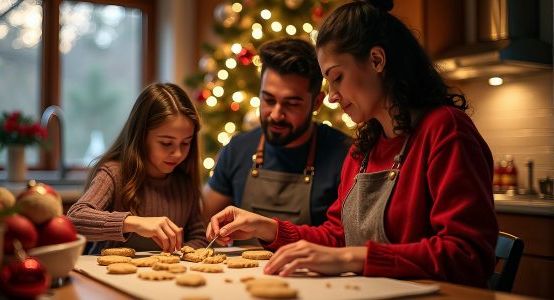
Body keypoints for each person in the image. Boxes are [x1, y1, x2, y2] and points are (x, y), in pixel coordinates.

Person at [206, 0, 498, 288]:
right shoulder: (364, 148)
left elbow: (467, 256)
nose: (332, 95)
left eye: (337, 77)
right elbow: (338, 237)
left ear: (376, 60)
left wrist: (350, 258)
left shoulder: (445, 130)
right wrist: (267, 227)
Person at [203, 37, 349, 227]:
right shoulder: (237, 149)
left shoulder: (345, 156)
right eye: (269, 100)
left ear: (317, 102)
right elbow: (200, 220)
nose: (276, 114)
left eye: (291, 104)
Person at [68, 83, 207, 253]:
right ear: (141, 136)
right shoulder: (114, 174)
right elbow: (75, 219)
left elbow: (199, 237)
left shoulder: (184, 182)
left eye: (186, 143)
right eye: (166, 143)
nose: (177, 154)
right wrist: (135, 223)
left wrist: (181, 252)